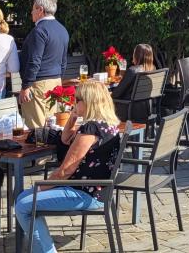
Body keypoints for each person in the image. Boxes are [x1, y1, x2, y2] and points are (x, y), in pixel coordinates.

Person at [15, 80, 121, 253]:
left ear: (88, 102)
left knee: (23, 205)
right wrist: (72, 117)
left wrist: (42, 186)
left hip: (83, 193)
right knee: (22, 199)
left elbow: (66, 170)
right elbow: (65, 139)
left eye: (77, 99)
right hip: (96, 190)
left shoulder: (91, 128)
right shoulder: (109, 124)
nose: (74, 102)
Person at [19, 0, 69, 129]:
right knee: (53, 125)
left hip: (38, 83)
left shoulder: (39, 31)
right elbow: (63, 61)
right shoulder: (62, 29)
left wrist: (26, 85)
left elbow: (34, 60)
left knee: (37, 128)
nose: (31, 12)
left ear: (40, 10)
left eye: (33, 9)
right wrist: (59, 79)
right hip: (55, 81)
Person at [111, 44, 156, 123]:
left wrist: (108, 94)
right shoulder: (153, 69)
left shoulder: (133, 71)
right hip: (146, 109)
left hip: (129, 109)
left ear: (137, 55)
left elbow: (116, 94)